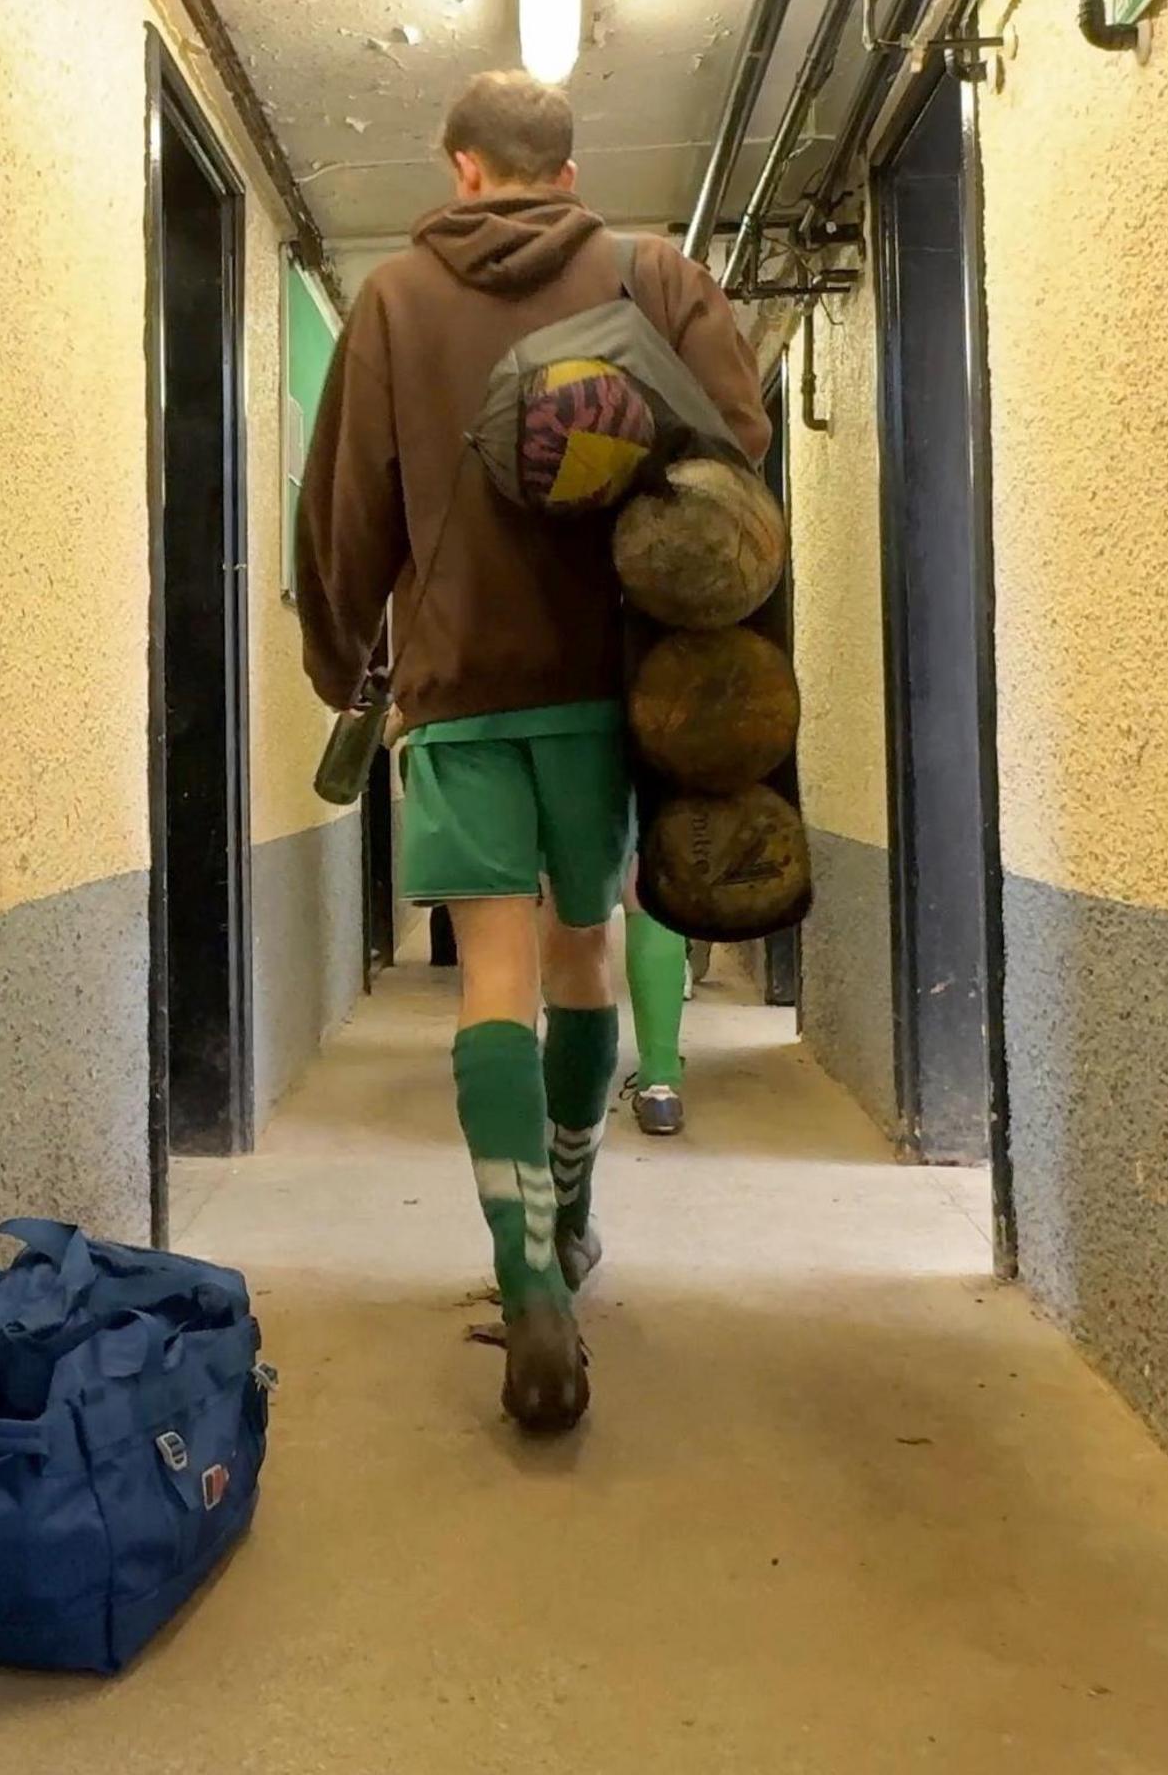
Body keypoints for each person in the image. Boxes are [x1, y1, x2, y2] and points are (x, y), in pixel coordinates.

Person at [295, 70, 768, 1433]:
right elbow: (735, 464)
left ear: (460, 170)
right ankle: (572, 1222)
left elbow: (347, 508)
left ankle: (518, 1271)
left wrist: (347, 665)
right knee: (583, 954)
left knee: (488, 975)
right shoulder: (653, 275)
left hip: (459, 697)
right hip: (609, 692)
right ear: (568, 167)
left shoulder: (392, 301)